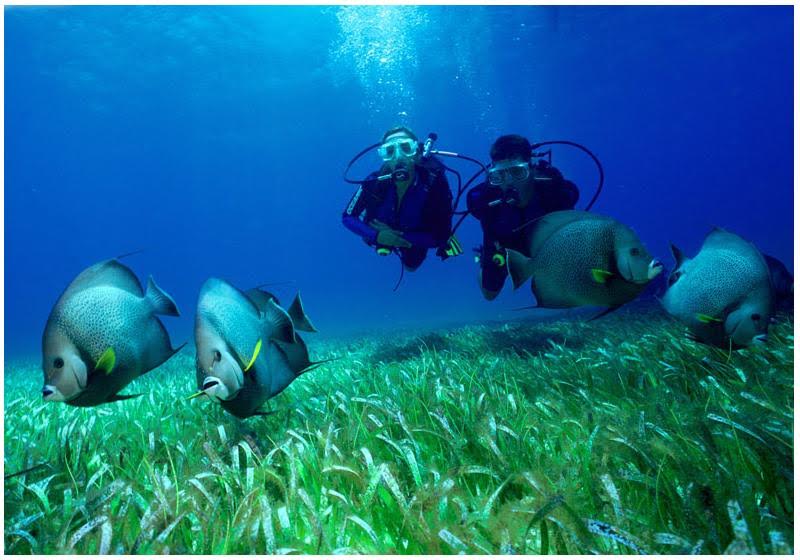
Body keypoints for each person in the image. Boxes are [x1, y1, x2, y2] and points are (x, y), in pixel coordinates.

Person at [467, 134, 579, 300]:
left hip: (546, 244)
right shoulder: (484, 198)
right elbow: (486, 226)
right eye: (501, 175)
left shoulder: (554, 192)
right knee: (489, 293)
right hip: (504, 245)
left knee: (568, 284)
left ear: (531, 169)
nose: (509, 181)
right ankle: (484, 261)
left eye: (517, 172)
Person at [342, 126, 454, 271]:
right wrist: (377, 235)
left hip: (415, 235)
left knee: (411, 266)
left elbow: (442, 235)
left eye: (406, 148)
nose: (399, 156)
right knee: (373, 241)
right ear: (384, 156)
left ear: (416, 151)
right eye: (390, 151)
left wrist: (402, 239)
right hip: (379, 233)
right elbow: (347, 217)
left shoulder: (434, 183)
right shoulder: (373, 182)